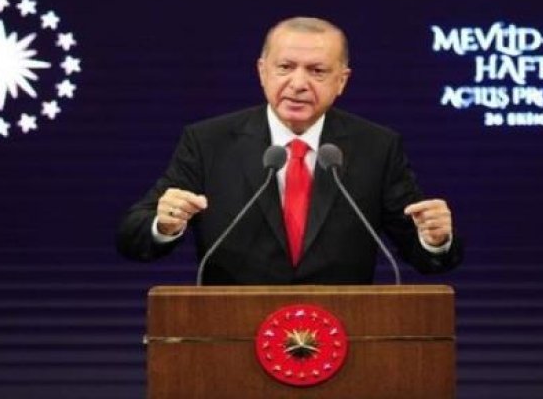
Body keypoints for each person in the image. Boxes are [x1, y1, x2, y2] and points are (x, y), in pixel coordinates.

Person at [117, 16, 462, 284]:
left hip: (340, 333)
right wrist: (164, 225)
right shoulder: (209, 142)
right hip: (234, 332)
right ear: (262, 71)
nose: (298, 84)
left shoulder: (377, 146)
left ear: (341, 81)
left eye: (317, 71)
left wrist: (436, 239)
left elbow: (425, 255)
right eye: (285, 67)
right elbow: (133, 238)